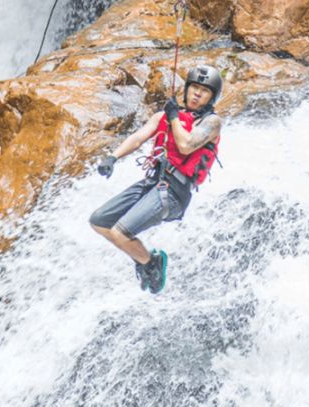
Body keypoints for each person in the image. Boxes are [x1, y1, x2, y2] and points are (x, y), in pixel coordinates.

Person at [89, 65, 223, 293]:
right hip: (154, 181)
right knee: (99, 221)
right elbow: (138, 138)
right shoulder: (165, 116)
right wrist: (112, 157)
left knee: (121, 233)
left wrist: (174, 118)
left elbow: (186, 145)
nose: (197, 94)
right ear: (187, 89)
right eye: (194, 88)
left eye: (204, 91)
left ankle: (151, 263)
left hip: (174, 192)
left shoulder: (212, 123)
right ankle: (144, 259)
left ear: (212, 97)